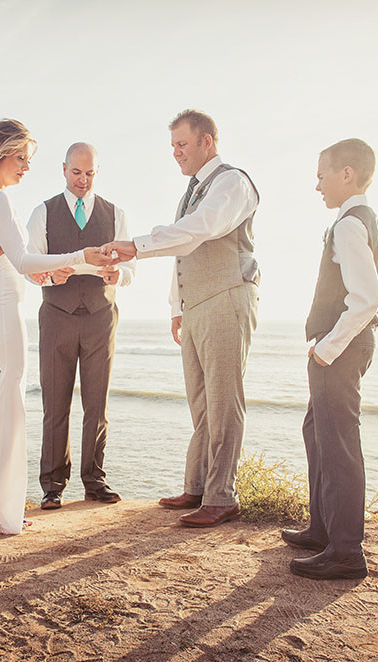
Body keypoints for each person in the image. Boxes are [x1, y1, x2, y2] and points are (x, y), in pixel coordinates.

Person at [0, 120, 113, 538]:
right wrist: (79, 254)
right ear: (1, 154)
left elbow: (3, 263)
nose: (27, 168)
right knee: (5, 405)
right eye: (22, 159)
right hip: (0, 312)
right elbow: (19, 259)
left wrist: (45, 276)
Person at [102, 109, 260, 528]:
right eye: (172, 146)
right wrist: (177, 307)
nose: (175, 153)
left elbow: (200, 229)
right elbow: (183, 248)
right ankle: (198, 487)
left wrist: (136, 245)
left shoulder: (232, 182)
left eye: (182, 144)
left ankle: (222, 496)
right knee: (201, 402)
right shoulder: (192, 190)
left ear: (207, 141)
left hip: (228, 296)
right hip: (197, 306)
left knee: (225, 401)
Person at [283, 138, 378, 580]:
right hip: (347, 346)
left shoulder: (349, 225)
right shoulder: (367, 221)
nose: (317, 185)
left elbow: (367, 297)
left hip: (337, 351)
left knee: (339, 445)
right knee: (318, 432)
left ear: (347, 174)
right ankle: (323, 529)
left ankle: (346, 552)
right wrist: (366, 330)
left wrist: (330, 347)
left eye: (322, 174)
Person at [25, 142, 135, 511]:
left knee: (96, 404)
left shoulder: (116, 213)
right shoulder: (43, 212)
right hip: (56, 316)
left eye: (90, 173)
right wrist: (48, 276)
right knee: (55, 404)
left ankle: (94, 480)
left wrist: (118, 274)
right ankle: (53, 485)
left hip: (101, 318)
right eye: (77, 172)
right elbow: (30, 267)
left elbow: (131, 269)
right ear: (64, 169)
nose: (83, 180)